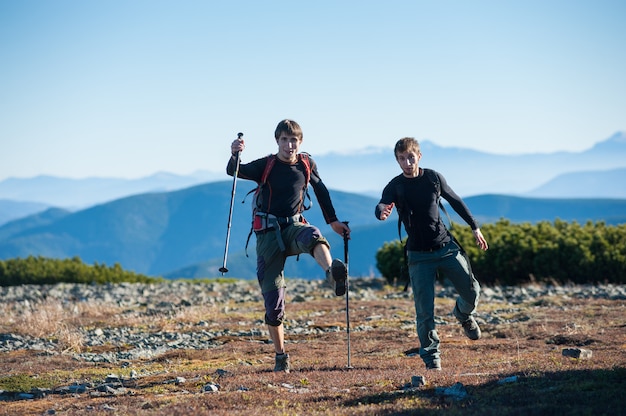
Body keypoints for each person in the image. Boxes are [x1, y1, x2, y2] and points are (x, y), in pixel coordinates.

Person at [227, 119, 351, 373]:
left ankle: (332, 274)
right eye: (285, 139)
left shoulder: (306, 164)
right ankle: (281, 355)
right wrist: (234, 154)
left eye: (294, 140)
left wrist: (333, 221)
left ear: (300, 142)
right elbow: (235, 171)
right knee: (273, 302)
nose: (289, 145)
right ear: (278, 141)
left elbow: (321, 190)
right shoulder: (267, 165)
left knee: (314, 235)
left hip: (294, 226)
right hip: (269, 235)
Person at [375, 137, 488, 371]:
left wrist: (474, 227)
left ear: (419, 156)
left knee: (472, 291)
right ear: (397, 160)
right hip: (418, 255)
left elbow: (455, 201)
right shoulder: (395, 186)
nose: (407, 162)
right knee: (424, 311)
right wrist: (381, 212)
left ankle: (463, 314)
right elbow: (381, 205)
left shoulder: (433, 178)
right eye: (402, 158)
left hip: (446, 247)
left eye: (411, 157)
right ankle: (431, 357)